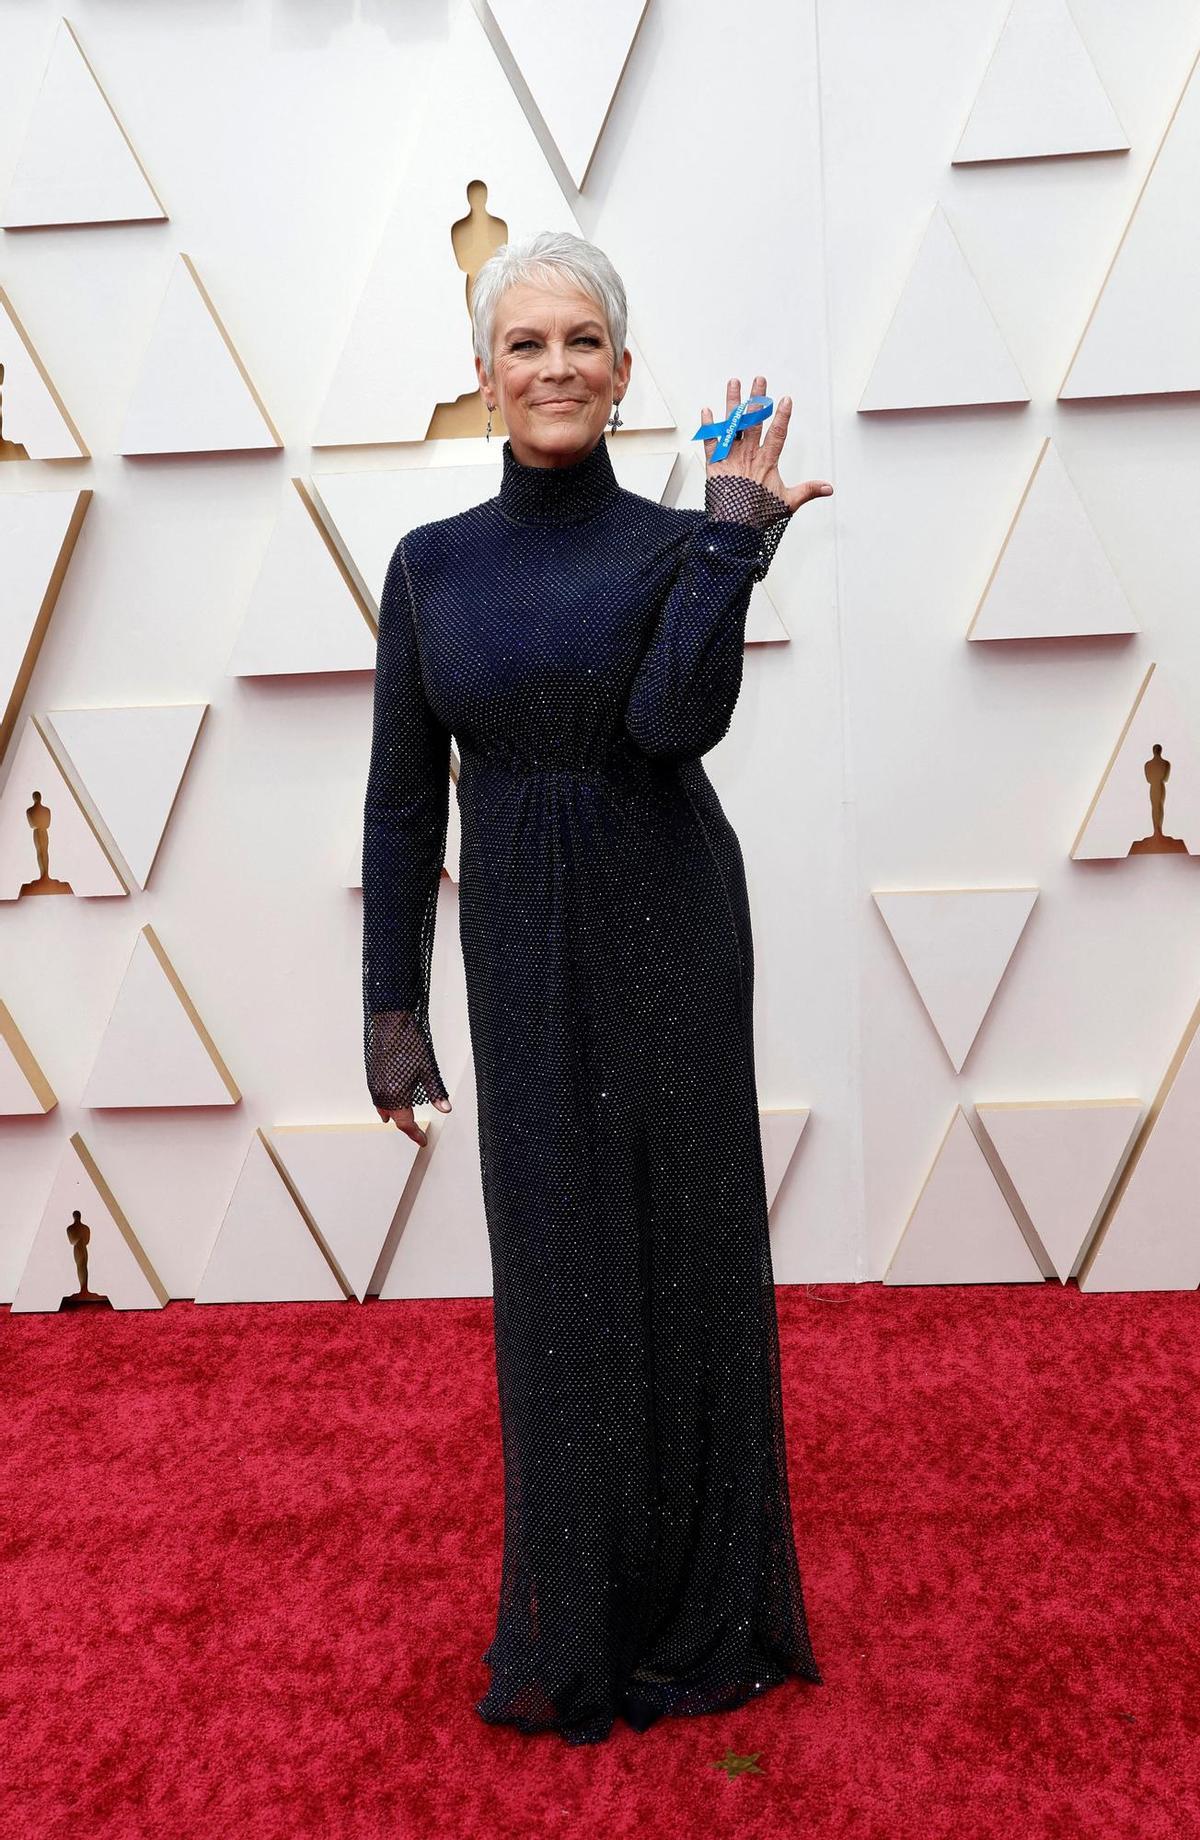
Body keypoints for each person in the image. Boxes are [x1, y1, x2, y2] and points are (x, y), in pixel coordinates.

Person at [361, 229, 834, 1746]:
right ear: (483, 375)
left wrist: (736, 539)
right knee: (559, 1279)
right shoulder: (431, 568)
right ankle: (580, 1617)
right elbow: (396, 804)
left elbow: (668, 724)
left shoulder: (670, 545)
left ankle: (707, 1607)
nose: (555, 367)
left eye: (583, 342)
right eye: (526, 343)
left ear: (625, 376)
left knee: (684, 1254)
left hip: (672, 921)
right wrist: (394, 1008)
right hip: (521, 940)